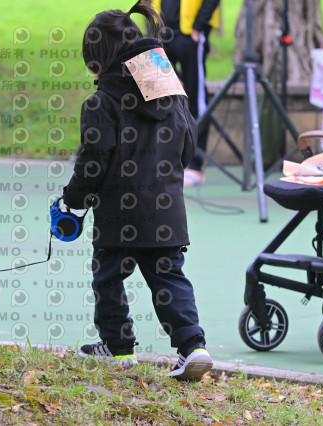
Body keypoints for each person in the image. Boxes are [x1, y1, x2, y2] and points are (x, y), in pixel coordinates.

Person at [62, 0, 212, 380]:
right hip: (167, 209)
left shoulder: (101, 102)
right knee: (169, 276)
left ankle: (118, 346)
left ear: (99, 62)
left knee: (108, 277)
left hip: (118, 214)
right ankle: (193, 346)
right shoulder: (171, 93)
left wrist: (73, 200)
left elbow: (93, 160)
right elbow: (188, 145)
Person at [152, 0, 221, 187]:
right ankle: (160, 162)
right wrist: (152, 28)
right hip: (160, 36)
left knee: (196, 100)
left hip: (190, 36)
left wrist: (199, 26)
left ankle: (195, 166)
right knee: (157, 99)